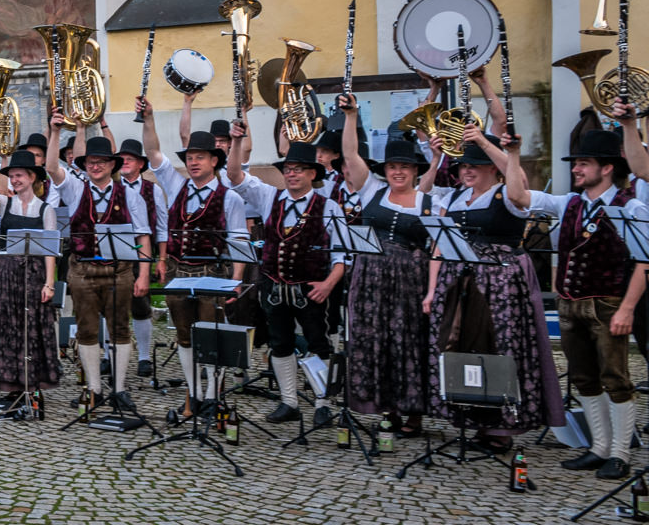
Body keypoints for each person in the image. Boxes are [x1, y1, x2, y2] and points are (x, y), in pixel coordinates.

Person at [422, 124, 565, 453]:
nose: (467, 171)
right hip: (460, 282)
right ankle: (475, 418)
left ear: (491, 167)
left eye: (475, 165)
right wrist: (432, 290)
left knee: (498, 347)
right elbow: (438, 242)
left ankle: (501, 427)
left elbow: (520, 182)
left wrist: (487, 145)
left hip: (500, 285)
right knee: (462, 347)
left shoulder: (507, 194)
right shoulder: (454, 197)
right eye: (463, 166)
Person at [534, 124, 649, 480]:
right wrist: (510, 152)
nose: (576, 169)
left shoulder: (631, 206)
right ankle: (598, 447)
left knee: (616, 378)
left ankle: (620, 453)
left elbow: (645, 261)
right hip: (571, 304)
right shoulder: (570, 203)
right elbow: (520, 196)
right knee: (584, 377)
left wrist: (627, 309)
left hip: (608, 304)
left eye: (583, 163)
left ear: (607, 167)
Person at [333, 96, 436, 441]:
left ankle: (414, 412)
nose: (398, 172)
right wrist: (351, 117)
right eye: (392, 166)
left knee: (407, 342)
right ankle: (387, 409)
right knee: (375, 340)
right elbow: (350, 155)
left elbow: (437, 247)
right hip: (370, 277)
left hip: (409, 280)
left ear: (416, 170)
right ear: (385, 170)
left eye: (404, 167)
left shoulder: (429, 201)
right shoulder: (372, 190)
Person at [138, 97, 245, 416]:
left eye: (200, 157)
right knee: (184, 336)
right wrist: (148, 120)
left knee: (212, 335)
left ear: (214, 161)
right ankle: (194, 392)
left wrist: (236, 281)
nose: (194, 162)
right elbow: (153, 154)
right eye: (190, 157)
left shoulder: (230, 198)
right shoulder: (177, 185)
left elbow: (239, 241)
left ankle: (213, 396)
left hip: (213, 273)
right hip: (179, 272)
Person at [228, 137, 345, 425]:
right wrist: (236, 141)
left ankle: (323, 403)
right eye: (288, 169)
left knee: (319, 344)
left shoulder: (329, 207)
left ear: (312, 173)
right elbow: (234, 175)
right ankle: (289, 401)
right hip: (274, 287)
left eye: (299, 169)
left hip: (312, 289)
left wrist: (328, 284)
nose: (292, 174)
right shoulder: (270, 197)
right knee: (280, 343)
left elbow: (342, 256)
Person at [48, 115, 153, 410]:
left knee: (120, 328)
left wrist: (143, 274)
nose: (95, 166)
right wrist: (55, 132)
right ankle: (93, 388)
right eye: (91, 162)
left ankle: (119, 388)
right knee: (86, 329)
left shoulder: (130, 195)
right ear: (85, 165)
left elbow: (143, 235)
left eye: (101, 162)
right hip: (83, 270)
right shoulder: (75, 188)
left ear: (112, 165)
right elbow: (52, 168)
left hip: (119, 270)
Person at [0, 150, 59, 398]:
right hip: (6, 274)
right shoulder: (5, 203)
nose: (14, 180)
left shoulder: (46, 209)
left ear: (32, 177)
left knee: (31, 327)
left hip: (33, 275)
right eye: (12, 176)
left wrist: (49, 283)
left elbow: (50, 250)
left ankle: (31, 382)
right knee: (6, 326)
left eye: (19, 175)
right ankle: (10, 382)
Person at [116, 138, 165, 379]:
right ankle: (109, 356)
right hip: (114, 253)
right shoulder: (111, 186)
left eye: (130, 159)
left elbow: (162, 226)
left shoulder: (152, 190)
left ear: (140, 164)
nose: (125, 162)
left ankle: (144, 356)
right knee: (110, 305)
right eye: (122, 159)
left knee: (140, 304)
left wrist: (161, 258)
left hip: (139, 254)